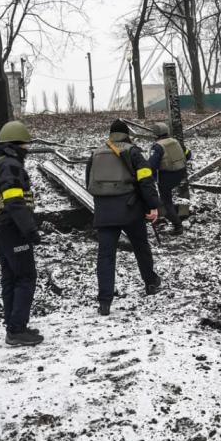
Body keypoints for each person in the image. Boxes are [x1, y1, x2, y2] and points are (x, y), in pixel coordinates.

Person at [85, 118, 162, 316]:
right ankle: (151, 283)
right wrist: (153, 205)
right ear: (127, 134)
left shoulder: (96, 153)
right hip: (131, 210)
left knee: (105, 256)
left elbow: (88, 183)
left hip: (104, 212)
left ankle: (104, 302)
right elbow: (146, 180)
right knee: (141, 247)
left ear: (111, 135)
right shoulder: (133, 152)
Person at [0, 120, 43, 347]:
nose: (27, 148)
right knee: (26, 276)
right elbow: (14, 201)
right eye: (25, 144)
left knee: (10, 276)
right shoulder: (10, 165)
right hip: (12, 226)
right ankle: (17, 330)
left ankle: (13, 325)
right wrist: (30, 230)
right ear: (17, 144)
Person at [148, 122, 191, 235]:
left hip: (166, 176)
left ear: (155, 134)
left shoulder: (158, 147)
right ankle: (169, 216)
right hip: (180, 173)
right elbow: (188, 155)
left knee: (166, 202)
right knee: (167, 200)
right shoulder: (176, 142)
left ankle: (177, 226)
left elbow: (152, 165)